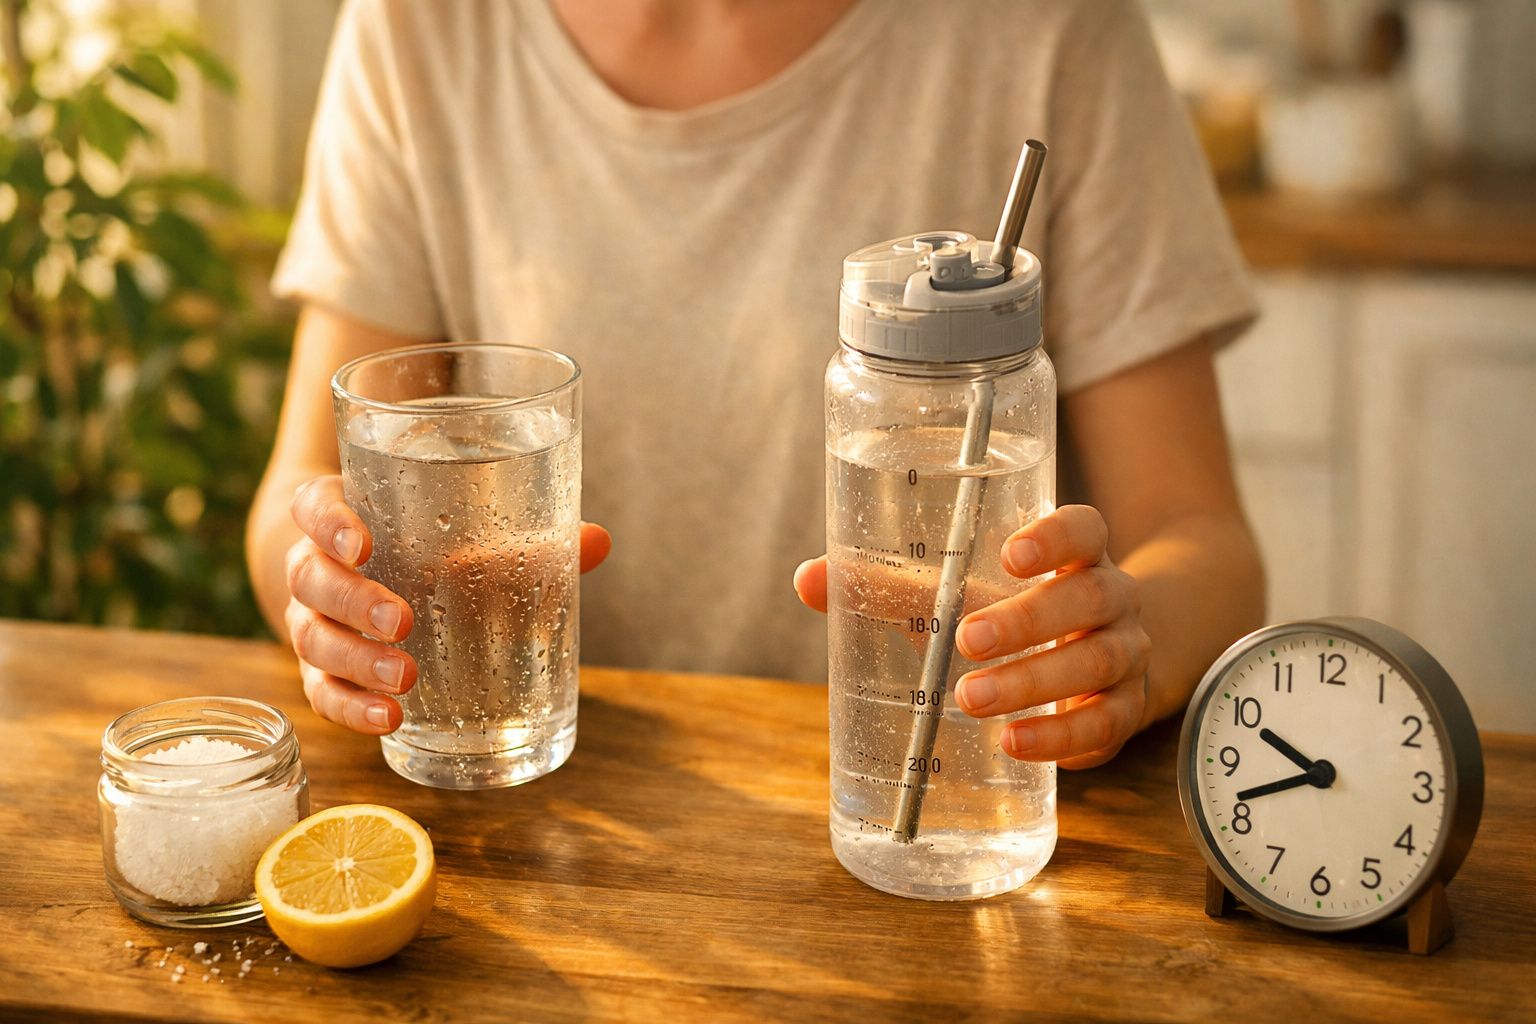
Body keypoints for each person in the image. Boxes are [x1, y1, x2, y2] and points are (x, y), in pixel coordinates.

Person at [246, 0, 1265, 770]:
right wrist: (339, 595)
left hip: (934, 782)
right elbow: (299, 491)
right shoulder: (421, 25)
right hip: (548, 808)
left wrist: (1119, 648)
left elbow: (1206, 544)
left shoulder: (1049, 29)